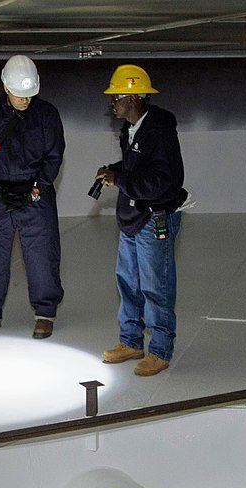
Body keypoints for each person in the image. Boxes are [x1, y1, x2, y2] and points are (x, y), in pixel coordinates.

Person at [94, 64, 187, 377]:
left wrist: (120, 177)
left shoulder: (159, 131)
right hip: (132, 220)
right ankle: (131, 341)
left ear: (132, 98)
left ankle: (160, 350)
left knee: (156, 287)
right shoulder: (132, 129)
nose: (113, 104)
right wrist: (116, 171)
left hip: (153, 219)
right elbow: (138, 165)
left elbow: (163, 181)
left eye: (116, 98)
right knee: (128, 283)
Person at [0, 55, 65, 340]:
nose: (25, 100)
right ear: (6, 87)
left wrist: (38, 186)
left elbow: (54, 156)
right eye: (20, 95)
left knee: (42, 252)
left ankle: (45, 314)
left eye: (30, 95)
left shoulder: (47, 114)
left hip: (36, 193)